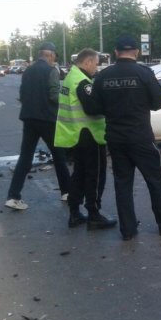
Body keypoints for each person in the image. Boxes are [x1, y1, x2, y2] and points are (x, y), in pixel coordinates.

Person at [84, 35, 161, 240]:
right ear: (137, 52)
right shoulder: (143, 73)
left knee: (122, 184)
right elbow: (159, 101)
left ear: (115, 52)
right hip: (141, 137)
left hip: (115, 137)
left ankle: (128, 230)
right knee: (156, 180)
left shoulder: (104, 76)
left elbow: (93, 107)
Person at [5, 42, 72, 211]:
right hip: (48, 120)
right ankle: (67, 192)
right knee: (59, 156)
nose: (55, 59)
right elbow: (54, 95)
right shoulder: (51, 71)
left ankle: (13, 196)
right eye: (55, 56)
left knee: (25, 157)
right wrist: (67, 98)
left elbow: (22, 95)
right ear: (50, 55)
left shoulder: (28, 71)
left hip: (29, 118)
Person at [55, 48, 116, 230]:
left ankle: (74, 213)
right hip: (89, 135)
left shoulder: (70, 77)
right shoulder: (83, 82)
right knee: (95, 175)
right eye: (95, 64)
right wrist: (109, 104)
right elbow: (92, 108)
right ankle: (94, 214)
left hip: (75, 134)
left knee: (79, 175)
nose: (96, 68)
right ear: (88, 62)